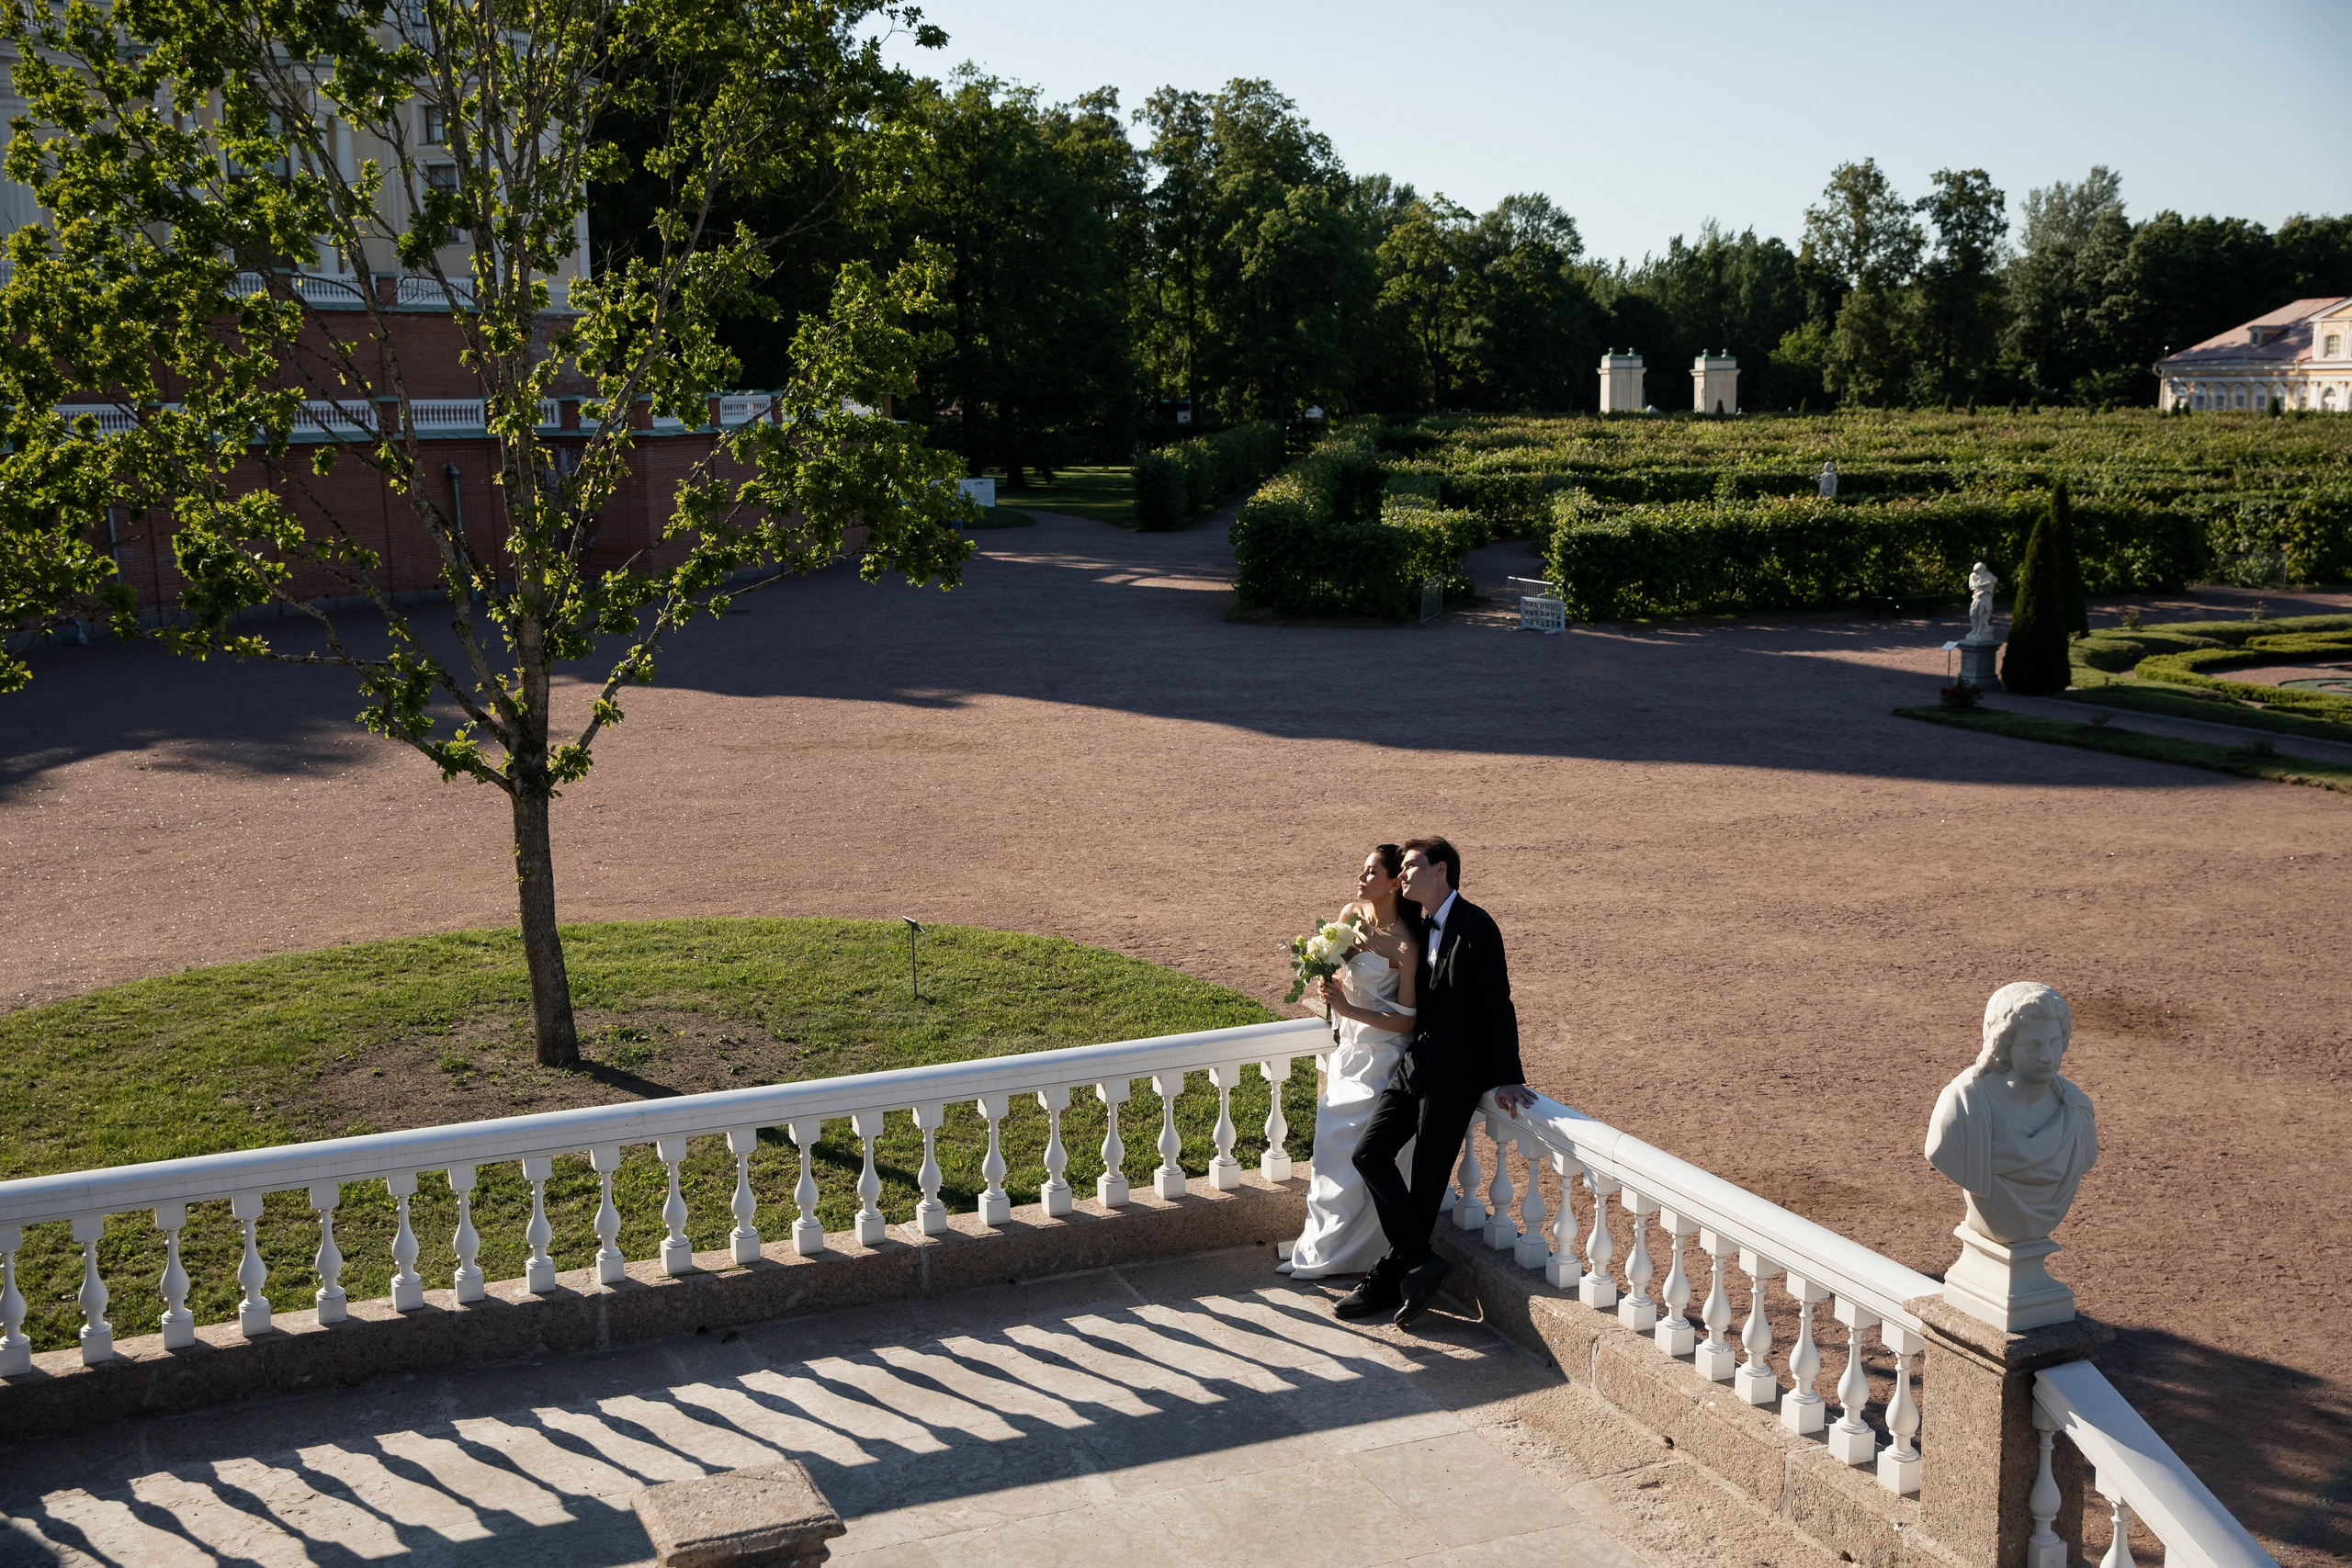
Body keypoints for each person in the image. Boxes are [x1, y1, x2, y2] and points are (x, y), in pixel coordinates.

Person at [1337, 837, 1533, 1327]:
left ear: (1440, 869)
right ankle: (1421, 1262)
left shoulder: (1478, 925)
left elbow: (1498, 1003)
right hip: (1416, 1061)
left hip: (1456, 1075)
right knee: (1369, 1153)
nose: (1403, 875)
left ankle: (1387, 1279)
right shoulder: (1421, 927)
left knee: (1426, 1181)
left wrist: (1509, 1076)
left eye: (1410, 866)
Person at [1284, 845, 1423, 1280]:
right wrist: (1326, 980)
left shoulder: (1406, 945)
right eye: (1363, 870)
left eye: (1372, 871)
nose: (1361, 878)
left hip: (1382, 1059)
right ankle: (1318, 1245)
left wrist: (1348, 1008)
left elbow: (1407, 1021)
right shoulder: (1350, 915)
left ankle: (1351, 1254)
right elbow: (1337, 970)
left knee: (1355, 1151)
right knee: (1328, 1149)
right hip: (1348, 1051)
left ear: (1395, 882)